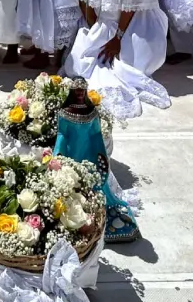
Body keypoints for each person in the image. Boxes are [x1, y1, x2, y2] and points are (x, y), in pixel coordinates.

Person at [55, 80, 138, 243]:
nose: (79, 94)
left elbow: (95, 135)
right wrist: (58, 154)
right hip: (71, 154)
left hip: (89, 154)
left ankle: (100, 216)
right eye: (77, 91)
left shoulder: (91, 112)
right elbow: (61, 134)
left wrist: (101, 154)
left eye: (82, 91)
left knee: (96, 183)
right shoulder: (64, 112)